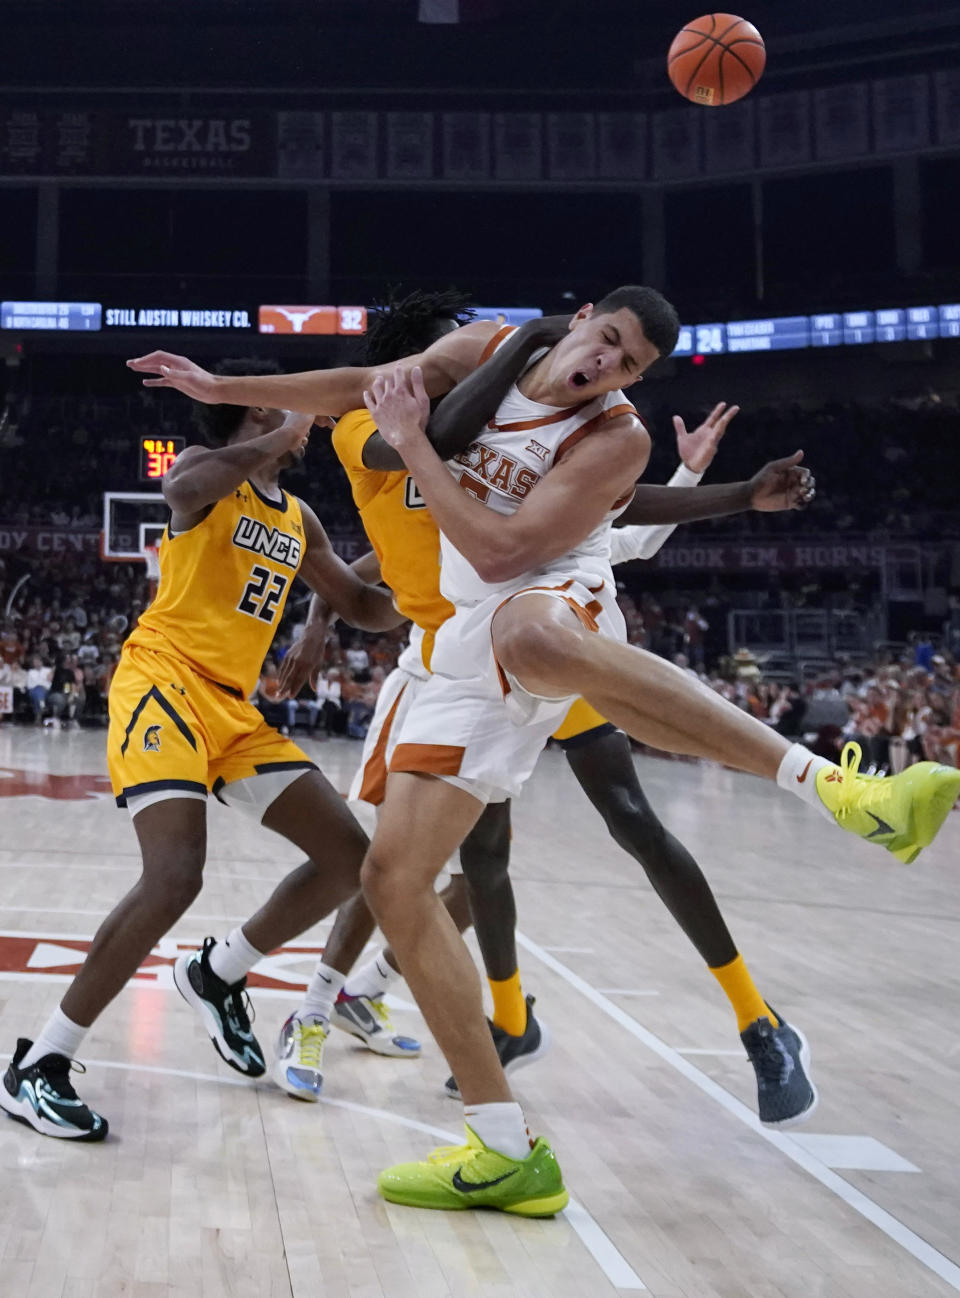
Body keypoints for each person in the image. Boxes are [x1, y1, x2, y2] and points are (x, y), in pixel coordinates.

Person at [128, 290, 960, 1215]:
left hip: (542, 590)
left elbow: (529, 528)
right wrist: (224, 382)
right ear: (583, 319)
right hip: (443, 653)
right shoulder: (400, 410)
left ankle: (840, 789)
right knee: (396, 881)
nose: (608, 366)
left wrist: (719, 491)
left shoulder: (611, 430)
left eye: (630, 362)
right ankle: (502, 1145)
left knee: (588, 748)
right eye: (605, 341)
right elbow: (372, 407)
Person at [278, 290, 823, 1127]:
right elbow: (368, 551)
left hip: (542, 629)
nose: (456, 362)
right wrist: (319, 619)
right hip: (460, 658)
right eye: (441, 357)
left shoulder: (531, 407)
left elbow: (616, 509)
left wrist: (720, 488)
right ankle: (481, 1012)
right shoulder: (398, 422)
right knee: (461, 858)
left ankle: (756, 1018)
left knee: (627, 818)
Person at [0, 365, 404, 1142]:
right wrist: (284, 432)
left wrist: (426, 568)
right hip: (163, 681)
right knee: (175, 875)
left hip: (232, 707)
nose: (306, 416)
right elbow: (181, 492)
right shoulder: (203, 472)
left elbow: (358, 606)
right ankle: (39, 1063)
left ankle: (215, 973)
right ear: (257, 409)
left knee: (350, 859)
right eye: (286, 403)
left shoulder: (300, 518)